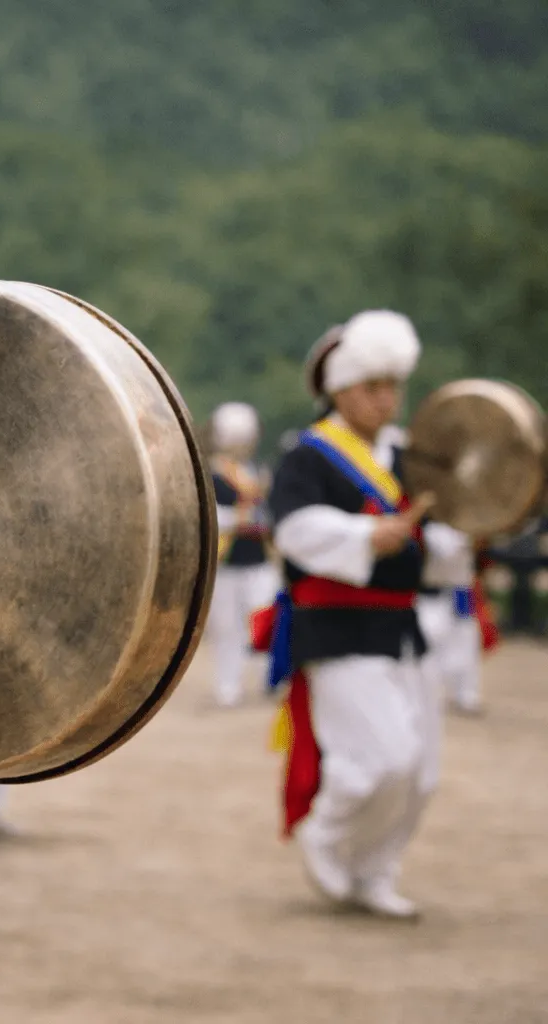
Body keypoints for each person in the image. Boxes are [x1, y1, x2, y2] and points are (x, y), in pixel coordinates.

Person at [259, 310, 473, 919]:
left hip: (403, 629)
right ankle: (326, 835)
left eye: (392, 387)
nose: (387, 400)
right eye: (374, 387)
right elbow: (295, 529)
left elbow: (438, 548)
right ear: (343, 390)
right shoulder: (310, 454)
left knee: (421, 771)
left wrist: (464, 537)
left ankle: (376, 871)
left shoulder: (411, 455)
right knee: (381, 758)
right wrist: (366, 535)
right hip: (338, 629)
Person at [205, 401, 279, 708]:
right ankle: (228, 685)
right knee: (227, 628)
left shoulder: (257, 471)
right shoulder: (213, 475)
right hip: (225, 563)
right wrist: (240, 518)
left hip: (258, 559)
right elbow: (209, 516)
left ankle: (269, 680)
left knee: (265, 619)